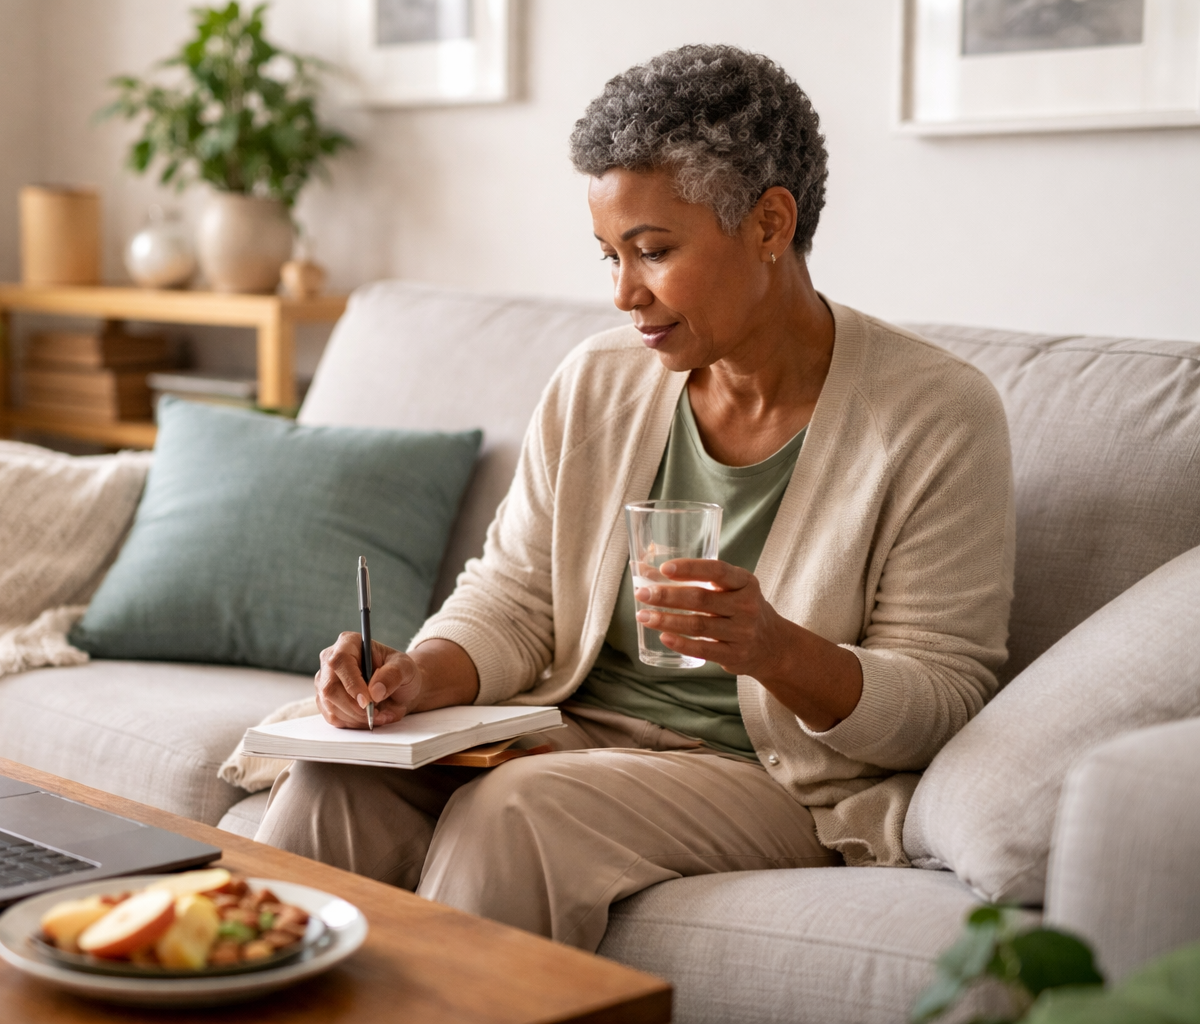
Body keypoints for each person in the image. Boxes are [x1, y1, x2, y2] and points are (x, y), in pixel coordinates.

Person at [254, 43, 1014, 952]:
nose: (623, 293)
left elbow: (941, 695)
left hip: (764, 780)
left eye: (653, 251)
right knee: (336, 782)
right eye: (609, 255)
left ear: (771, 224)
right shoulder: (599, 381)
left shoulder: (935, 413)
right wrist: (419, 674)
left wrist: (775, 648)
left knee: (516, 810)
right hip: (565, 731)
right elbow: (516, 595)